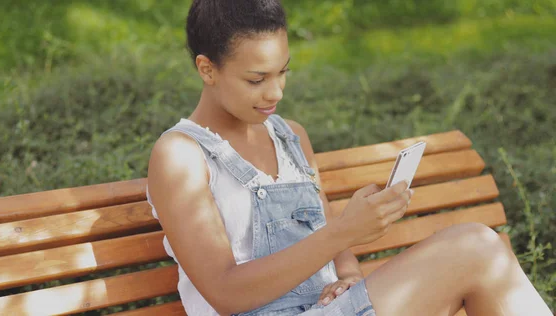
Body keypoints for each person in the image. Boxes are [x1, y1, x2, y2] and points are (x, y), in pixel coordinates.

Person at [146, 1, 553, 315]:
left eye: (283, 72)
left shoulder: (290, 137)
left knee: (479, 250)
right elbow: (225, 292)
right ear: (207, 68)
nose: (276, 93)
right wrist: (345, 231)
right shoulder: (181, 155)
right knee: (476, 246)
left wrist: (349, 276)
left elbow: (329, 242)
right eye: (257, 79)